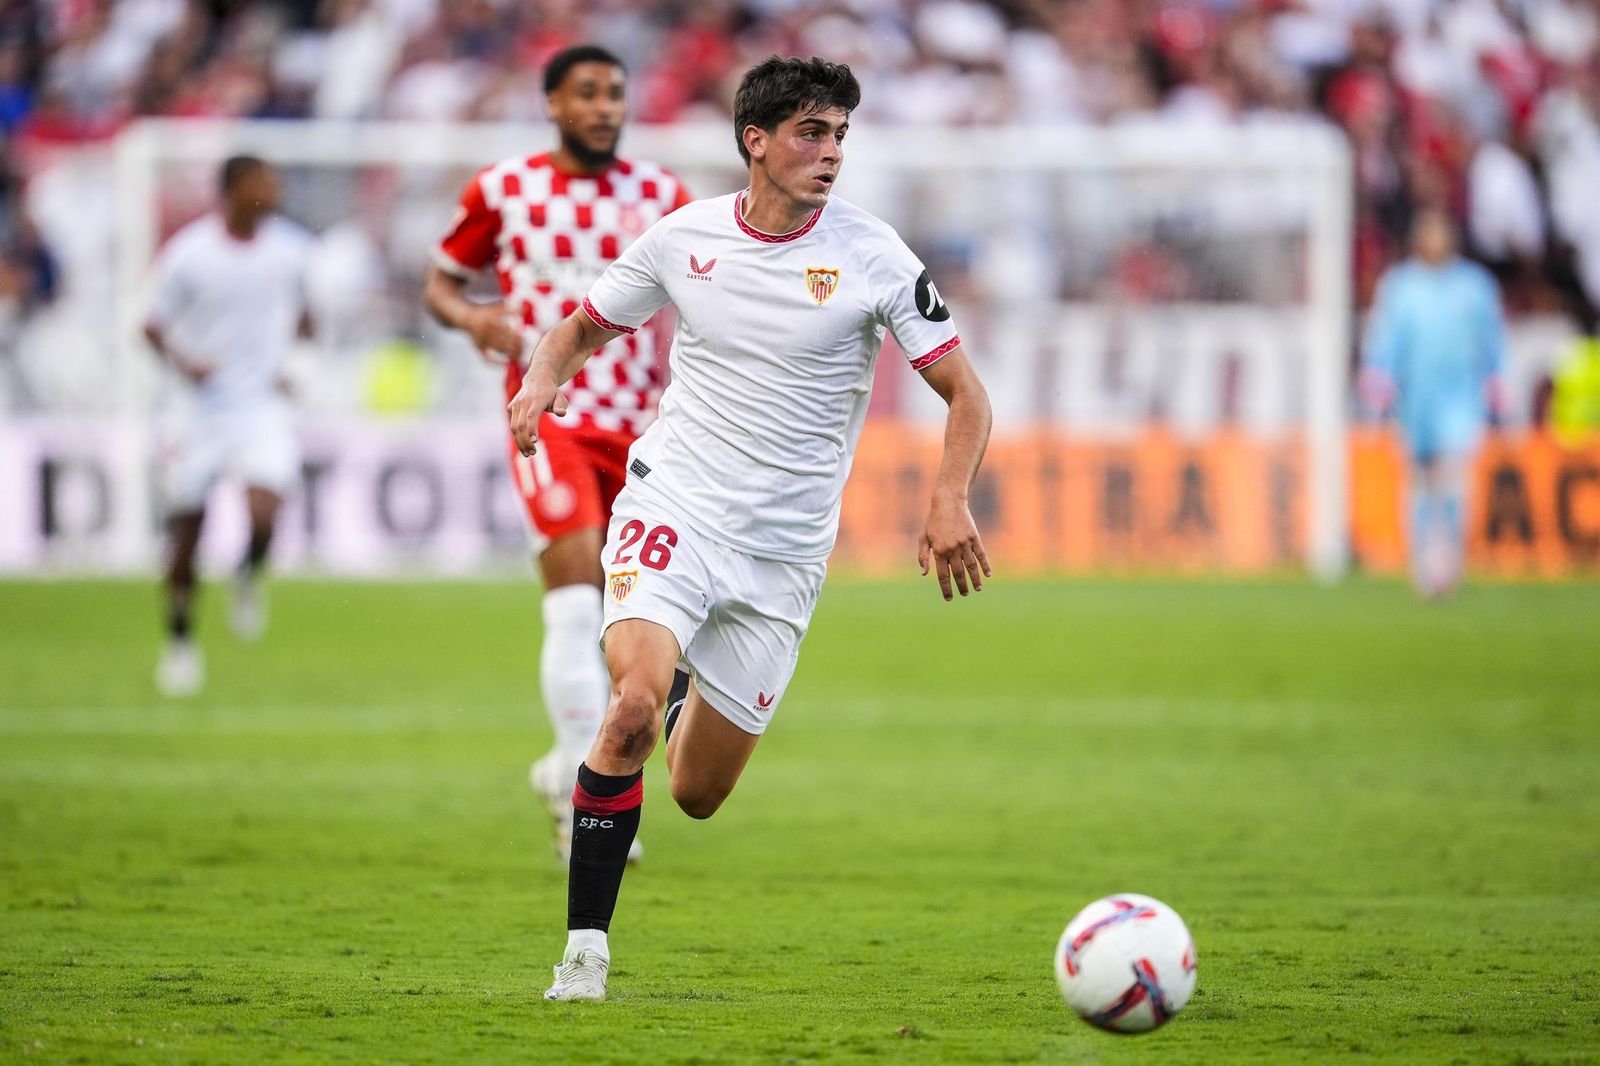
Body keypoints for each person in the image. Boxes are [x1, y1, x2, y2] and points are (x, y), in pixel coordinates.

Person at [507, 56, 993, 1001]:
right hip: (674, 506)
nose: (831, 153)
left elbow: (965, 393)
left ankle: (689, 685)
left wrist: (948, 497)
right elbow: (578, 327)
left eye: (842, 135)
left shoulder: (874, 255)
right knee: (631, 707)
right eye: (813, 133)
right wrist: (540, 380)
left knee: (696, 794)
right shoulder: (684, 239)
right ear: (755, 141)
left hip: (783, 554)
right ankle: (583, 955)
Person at [423, 44, 691, 864]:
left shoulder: (664, 197)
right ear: (552, 103)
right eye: (588, 94)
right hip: (554, 420)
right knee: (574, 596)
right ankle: (585, 800)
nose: (606, 107)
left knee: (633, 617)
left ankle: (568, 764)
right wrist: (475, 322)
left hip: (647, 430)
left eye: (616, 93)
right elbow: (441, 281)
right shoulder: (503, 189)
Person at [145, 155, 313, 696]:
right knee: (187, 530)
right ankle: (179, 642)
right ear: (234, 190)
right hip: (199, 410)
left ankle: (246, 573)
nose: (273, 188)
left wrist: (298, 364)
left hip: (261, 404)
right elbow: (150, 325)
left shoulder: (290, 249)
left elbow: (309, 316)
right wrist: (186, 363)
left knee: (265, 514)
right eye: (263, 181)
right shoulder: (190, 254)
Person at [1361, 208, 1506, 596]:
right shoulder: (1401, 285)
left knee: (1453, 475)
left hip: (1460, 398)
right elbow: (1385, 340)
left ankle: (1449, 560)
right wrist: (1379, 382)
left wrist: (1495, 385)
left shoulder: (1475, 286)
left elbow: (1491, 342)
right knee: (1420, 481)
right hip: (1414, 401)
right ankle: (1423, 560)